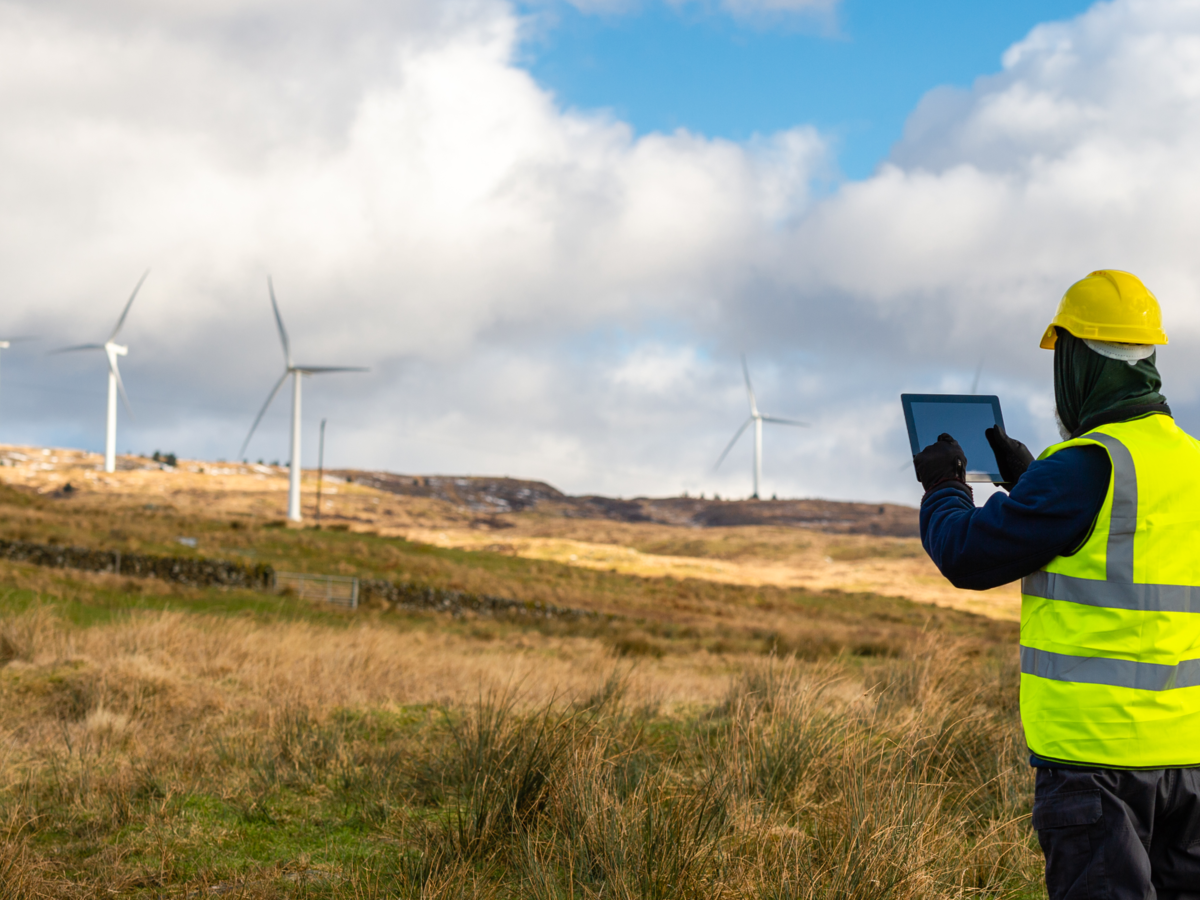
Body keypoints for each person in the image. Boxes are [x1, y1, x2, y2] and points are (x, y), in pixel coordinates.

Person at [915, 269, 1200, 900]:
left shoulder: (1086, 466)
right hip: (1188, 759)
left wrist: (943, 489)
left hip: (1097, 764)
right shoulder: (1190, 461)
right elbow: (1122, 541)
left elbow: (967, 555)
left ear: (1075, 362)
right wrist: (1031, 481)